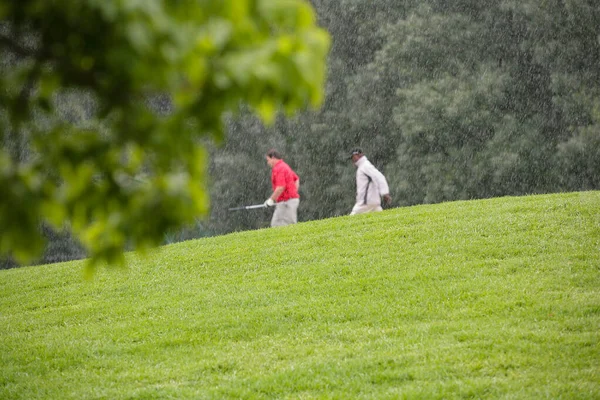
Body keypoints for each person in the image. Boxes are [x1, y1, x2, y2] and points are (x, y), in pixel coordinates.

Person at [349, 148, 392, 215]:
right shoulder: (363, 166)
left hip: (365, 203)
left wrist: (385, 193)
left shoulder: (365, 166)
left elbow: (379, 177)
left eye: (352, 157)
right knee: (382, 220)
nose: (352, 159)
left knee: (350, 221)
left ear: (358, 154)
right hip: (373, 202)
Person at [264, 149, 300, 227]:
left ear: (273, 158)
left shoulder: (279, 168)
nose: (268, 163)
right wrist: (293, 193)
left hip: (287, 202)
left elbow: (280, 187)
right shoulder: (284, 165)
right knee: (276, 225)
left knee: (287, 226)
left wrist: (271, 200)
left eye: (268, 160)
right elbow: (296, 179)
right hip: (286, 201)